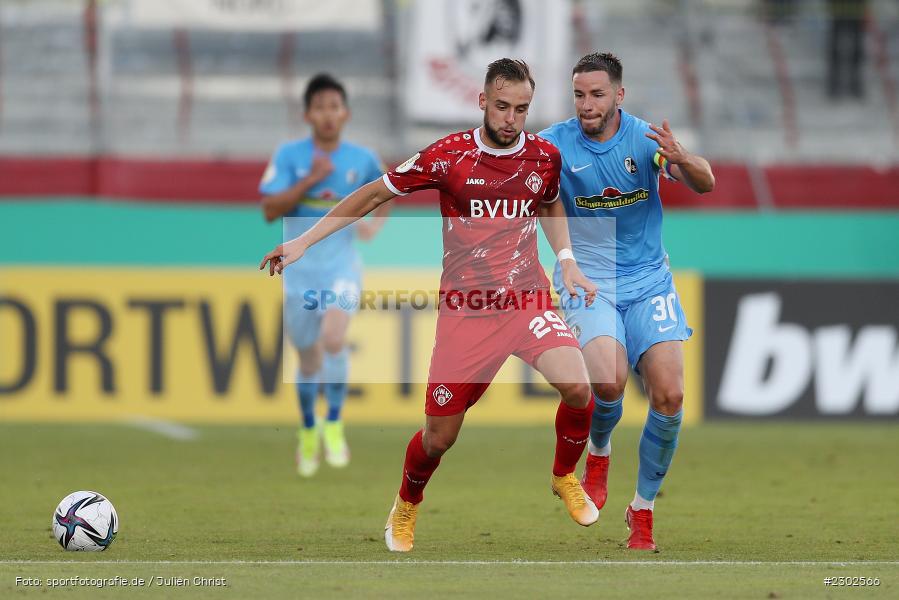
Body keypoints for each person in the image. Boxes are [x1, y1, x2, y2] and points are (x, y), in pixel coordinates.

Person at [261, 58, 599, 552]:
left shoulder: (543, 157)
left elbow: (548, 201)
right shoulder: (448, 157)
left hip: (527, 300)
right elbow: (374, 194)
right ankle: (406, 504)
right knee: (439, 438)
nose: (511, 118)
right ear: (482, 101)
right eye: (502, 106)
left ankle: (564, 475)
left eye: (521, 109)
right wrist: (305, 241)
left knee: (578, 386)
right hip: (466, 313)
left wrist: (565, 258)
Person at [539, 52, 715, 550]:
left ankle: (642, 510)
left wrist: (682, 158)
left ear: (619, 95)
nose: (586, 104)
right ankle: (598, 451)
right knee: (609, 381)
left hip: (648, 281)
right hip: (588, 281)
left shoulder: (645, 140)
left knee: (670, 397)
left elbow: (706, 183)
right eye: (579, 94)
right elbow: (532, 190)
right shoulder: (554, 145)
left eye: (596, 94)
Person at [259, 73, 388, 477]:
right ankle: (308, 429)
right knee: (309, 357)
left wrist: (373, 225)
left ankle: (333, 422)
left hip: (340, 268)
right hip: (299, 274)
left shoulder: (362, 158)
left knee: (334, 338)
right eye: (320, 107)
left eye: (335, 106)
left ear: (345, 113)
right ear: (307, 114)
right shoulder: (288, 155)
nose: (328, 115)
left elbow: (389, 191)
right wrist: (311, 180)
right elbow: (269, 209)